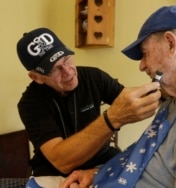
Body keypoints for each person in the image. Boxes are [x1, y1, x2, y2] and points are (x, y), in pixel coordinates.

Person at [60, 5, 176, 188]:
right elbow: (150, 160)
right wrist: (99, 173)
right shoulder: (175, 99)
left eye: (144, 54)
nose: (142, 66)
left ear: (170, 44)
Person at [16, 27, 162, 180]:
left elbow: (133, 102)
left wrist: (163, 89)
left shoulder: (94, 77)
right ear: (36, 77)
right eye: (55, 69)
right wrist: (111, 119)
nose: (68, 72)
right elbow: (62, 162)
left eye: (66, 59)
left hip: (102, 160)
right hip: (54, 172)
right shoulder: (30, 104)